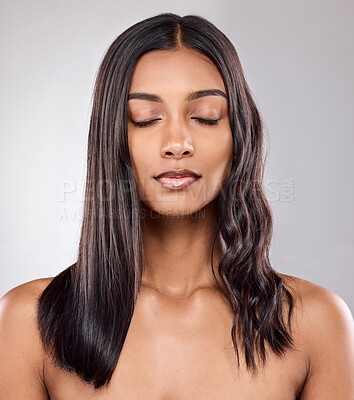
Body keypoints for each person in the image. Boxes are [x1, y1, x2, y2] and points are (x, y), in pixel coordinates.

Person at [0, 12, 353, 400]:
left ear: (239, 136)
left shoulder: (316, 324)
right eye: (146, 119)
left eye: (205, 117)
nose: (177, 142)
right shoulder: (27, 323)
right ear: (113, 138)